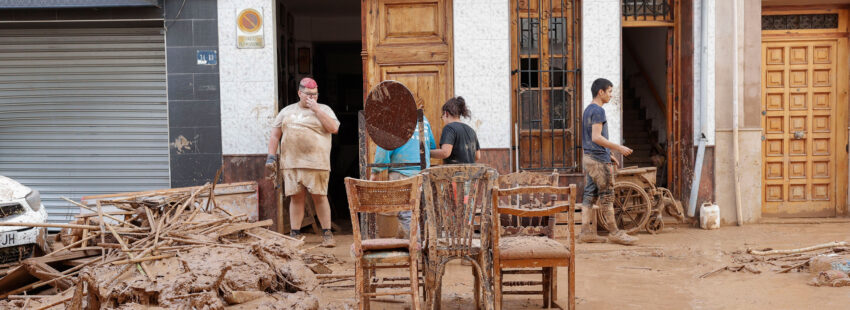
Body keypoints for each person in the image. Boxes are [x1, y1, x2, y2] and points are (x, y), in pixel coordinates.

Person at [266, 77, 339, 247]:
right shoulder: (286, 111)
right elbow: (275, 135)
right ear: (299, 93)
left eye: (314, 95)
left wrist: (317, 110)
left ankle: (327, 233)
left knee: (320, 197)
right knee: (296, 198)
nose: (311, 98)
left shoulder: (325, 109)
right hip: (291, 163)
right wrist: (271, 155)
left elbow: (334, 128)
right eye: (307, 94)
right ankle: (295, 234)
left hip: (317, 163)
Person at [578, 78, 637, 246]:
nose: (611, 95)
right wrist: (618, 148)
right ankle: (614, 233)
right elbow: (596, 137)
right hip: (598, 160)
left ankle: (585, 233)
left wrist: (608, 153)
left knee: (589, 194)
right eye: (610, 91)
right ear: (600, 92)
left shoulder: (588, 110)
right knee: (607, 195)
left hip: (590, 158)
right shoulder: (598, 111)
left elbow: (591, 139)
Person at [370, 113, 437, 238]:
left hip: (403, 172)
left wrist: (375, 171)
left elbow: (384, 148)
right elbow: (430, 145)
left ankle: (416, 247)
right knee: (421, 212)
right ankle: (420, 243)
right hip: (423, 173)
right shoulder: (423, 120)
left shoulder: (392, 120)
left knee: (405, 212)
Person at [430, 96, 480, 163]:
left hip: (455, 172)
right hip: (470, 172)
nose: (443, 119)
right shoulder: (471, 130)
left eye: (442, 116)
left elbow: (445, 152)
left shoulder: (449, 128)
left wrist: (426, 153)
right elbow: (477, 156)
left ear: (446, 113)